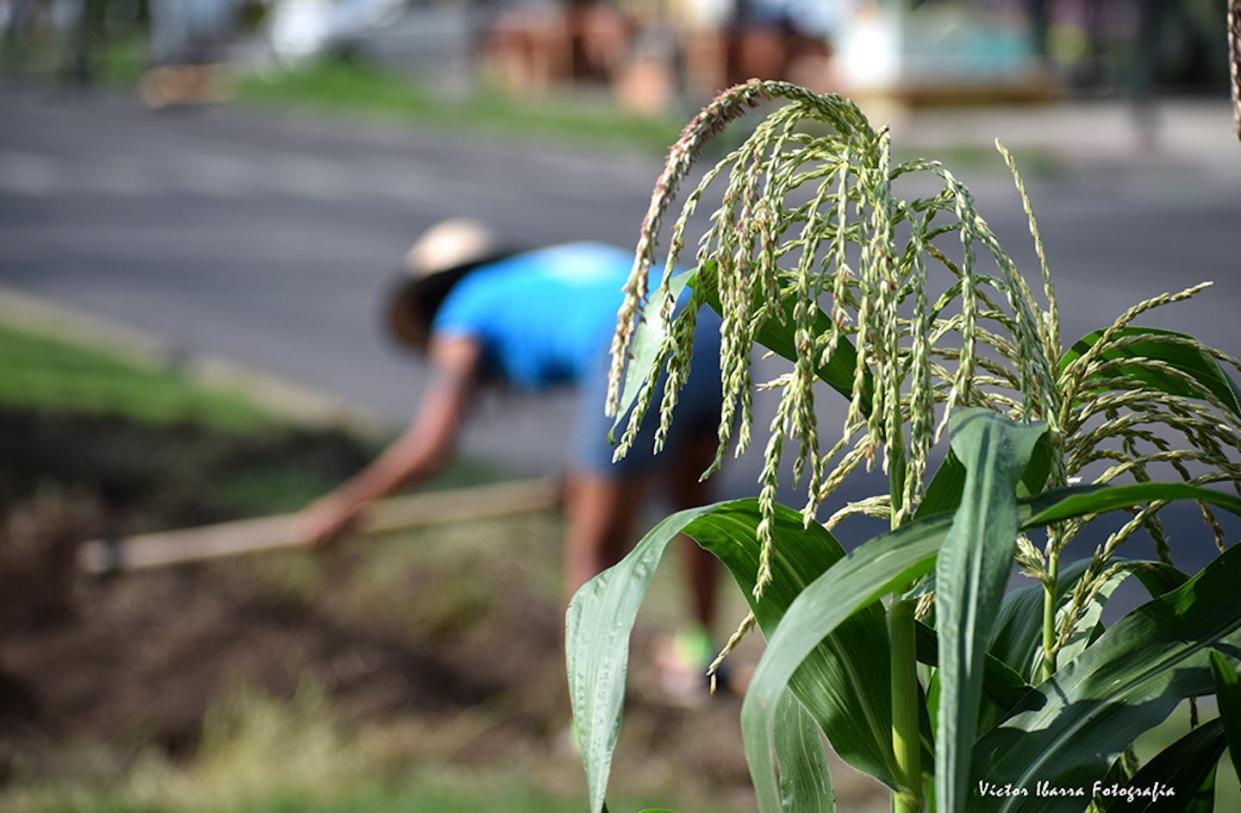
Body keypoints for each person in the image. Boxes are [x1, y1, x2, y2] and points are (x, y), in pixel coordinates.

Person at [295, 218, 726, 697]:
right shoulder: (548, 270)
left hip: (633, 344)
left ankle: (589, 716)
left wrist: (345, 508)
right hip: (712, 320)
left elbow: (430, 446)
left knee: (595, 554)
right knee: (696, 512)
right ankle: (702, 656)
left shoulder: (463, 310)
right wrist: (581, 482)